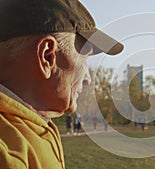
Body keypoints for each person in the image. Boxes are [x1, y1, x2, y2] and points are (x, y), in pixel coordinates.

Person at [0, 0, 123, 169]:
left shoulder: (30, 125)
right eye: (84, 57)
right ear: (48, 56)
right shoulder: (8, 156)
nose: (88, 79)